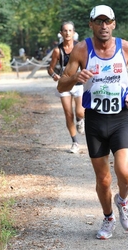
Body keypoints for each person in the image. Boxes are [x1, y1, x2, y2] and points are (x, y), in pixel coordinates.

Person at [57, 5, 128, 239]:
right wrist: (76, 77)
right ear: (91, 25)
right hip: (95, 121)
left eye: (108, 21)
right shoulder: (81, 50)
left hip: (119, 119)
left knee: (125, 173)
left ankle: (123, 201)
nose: (103, 26)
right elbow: (61, 85)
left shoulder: (125, 47)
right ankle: (108, 218)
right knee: (104, 180)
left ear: (114, 24)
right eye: (99, 21)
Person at [48, 21, 85, 154]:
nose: (68, 33)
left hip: (78, 83)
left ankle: (81, 120)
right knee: (68, 114)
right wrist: (54, 75)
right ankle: (75, 142)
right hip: (64, 85)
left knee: (80, 112)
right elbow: (50, 68)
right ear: (61, 33)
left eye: (70, 30)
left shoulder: (80, 47)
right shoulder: (58, 50)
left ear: (74, 32)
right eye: (65, 30)